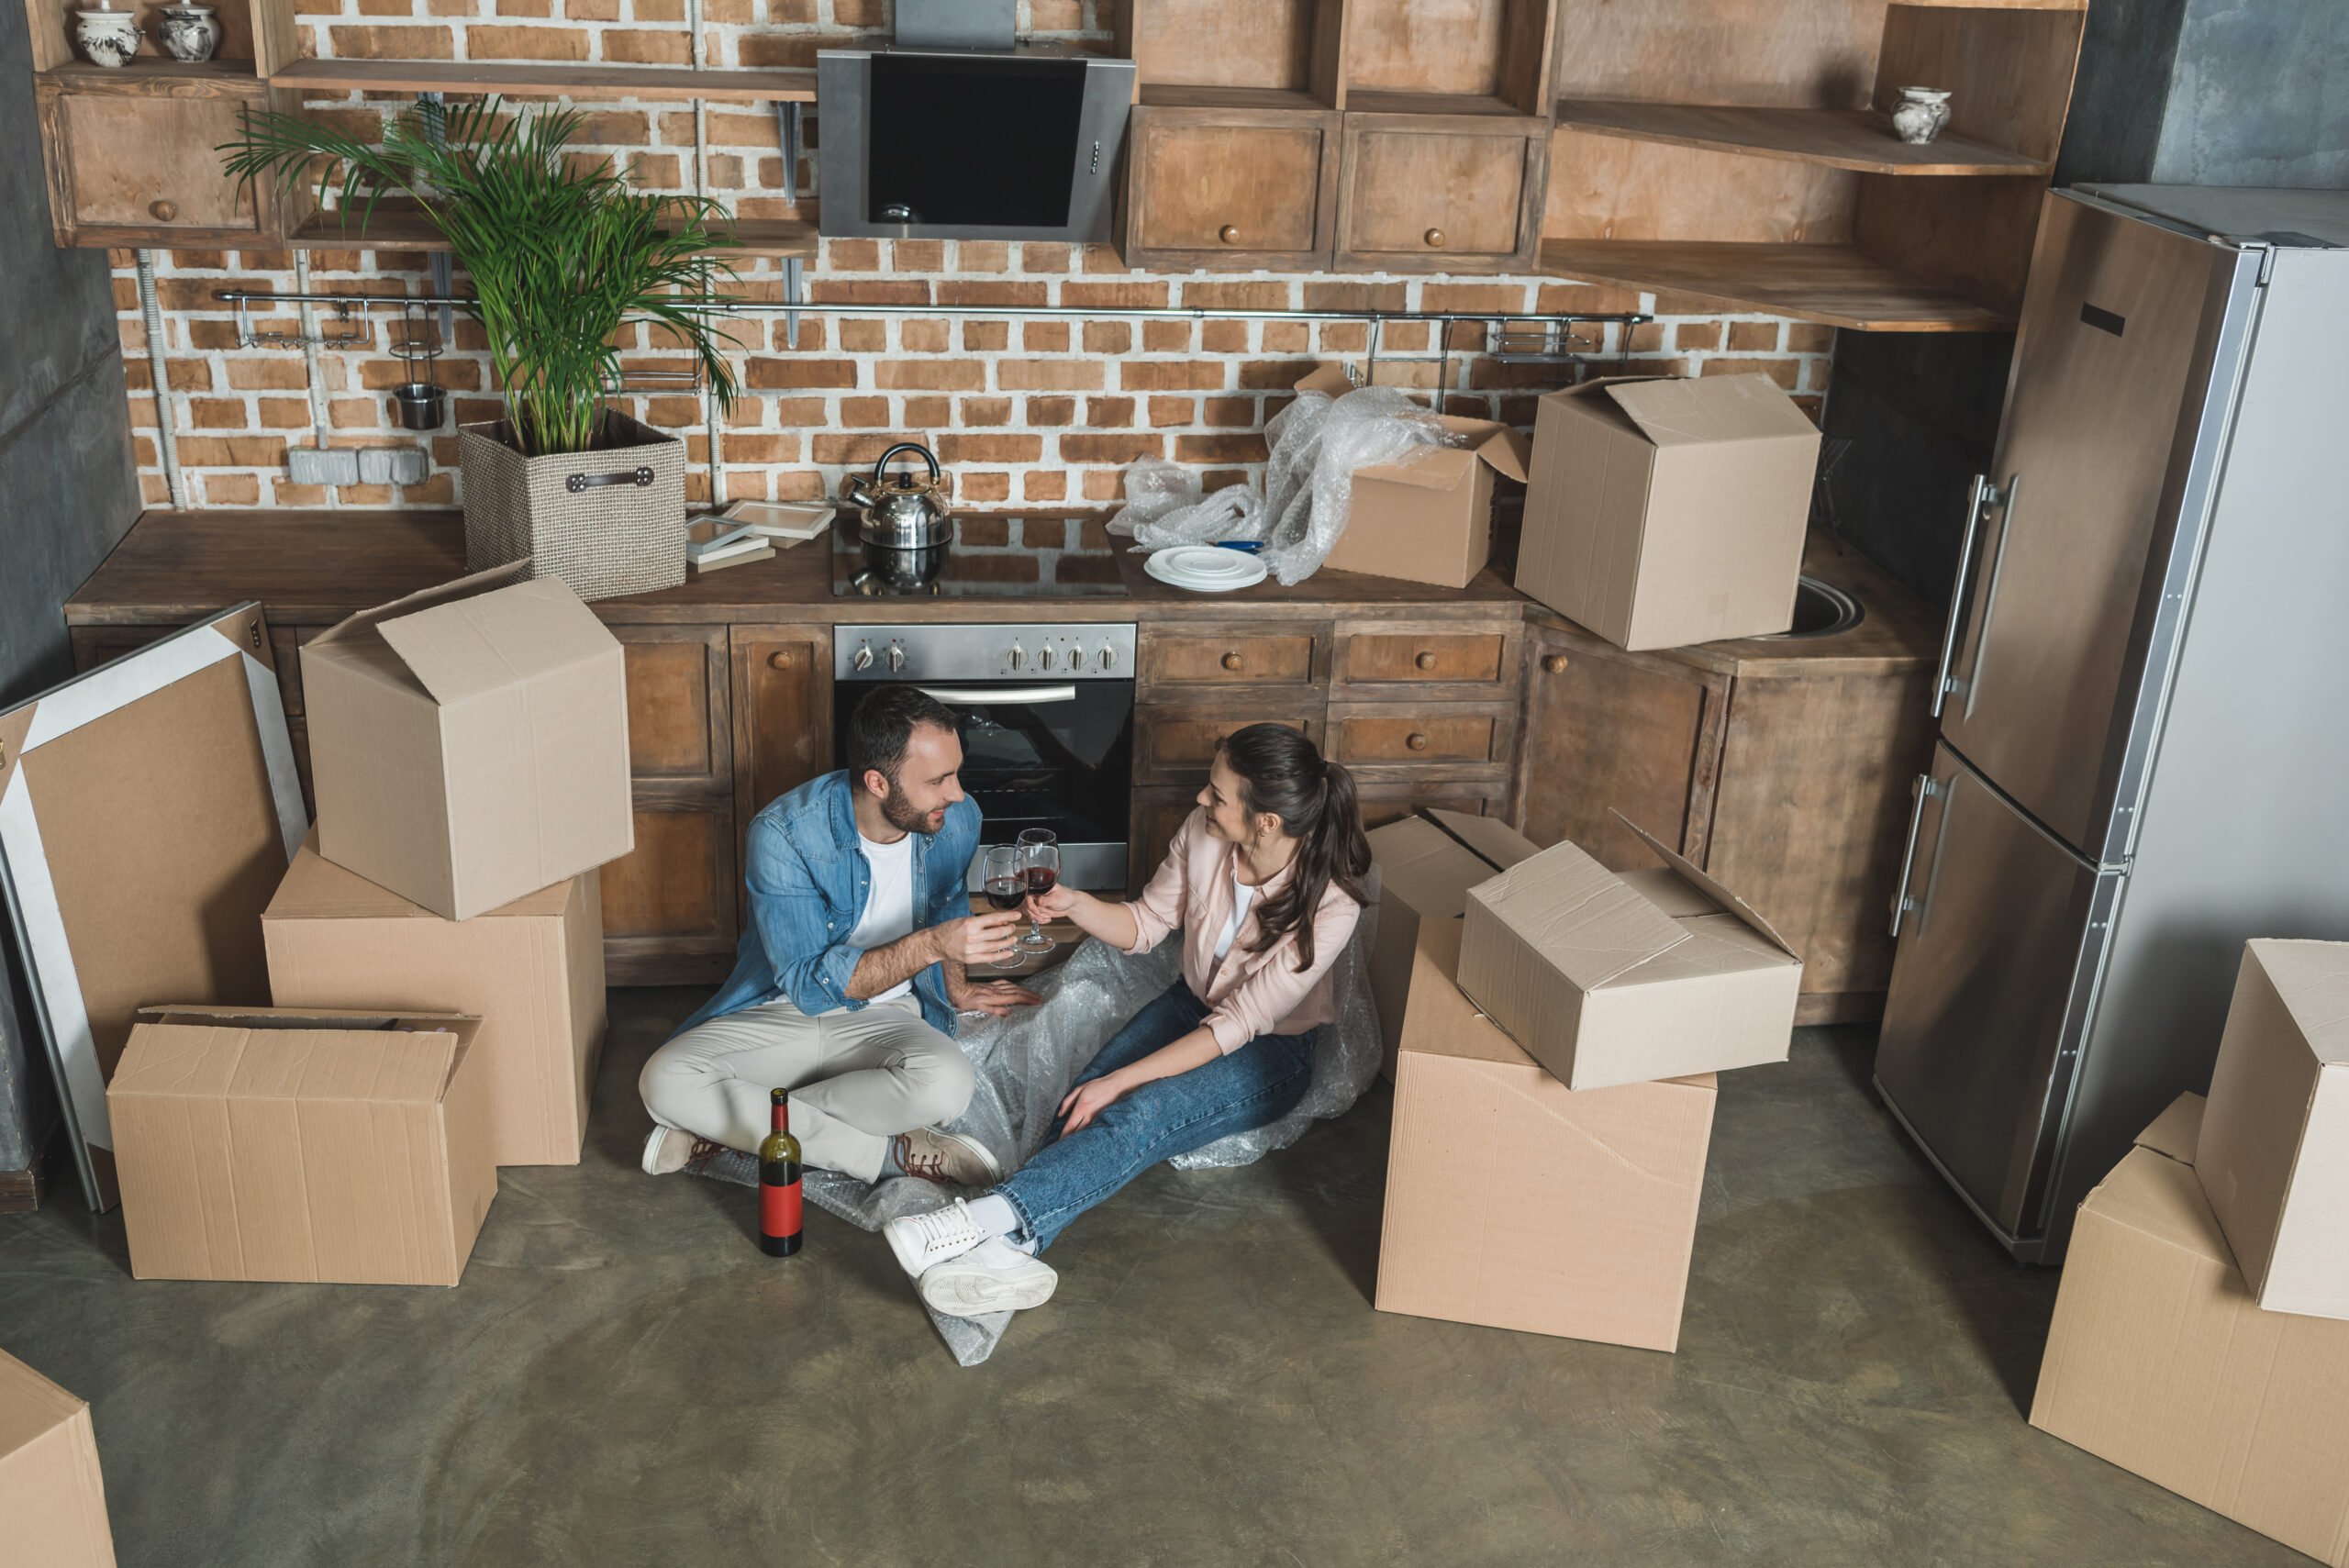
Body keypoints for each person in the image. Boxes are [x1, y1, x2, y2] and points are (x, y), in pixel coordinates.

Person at [877, 723, 1372, 1318]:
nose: (1200, 801)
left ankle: (970, 1222)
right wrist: (1076, 903)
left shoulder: (1331, 902)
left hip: (1268, 1052)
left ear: (1265, 819)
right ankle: (1012, 1246)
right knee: (1080, 1098)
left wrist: (1125, 1080)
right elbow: (1144, 925)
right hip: (1192, 1003)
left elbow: (1237, 1023)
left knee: (1141, 1110)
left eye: (1216, 795)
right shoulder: (1204, 834)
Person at [637, 687, 1041, 1187]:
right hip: (779, 1014)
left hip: (885, 1018)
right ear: (877, 782)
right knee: (662, 1080)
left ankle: (729, 1134)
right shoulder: (784, 832)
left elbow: (947, 902)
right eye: (938, 780)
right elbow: (807, 987)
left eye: (956, 773)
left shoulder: (956, 819)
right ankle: (886, 1156)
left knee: (949, 1084)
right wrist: (933, 945)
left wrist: (956, 988)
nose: (956, 794)